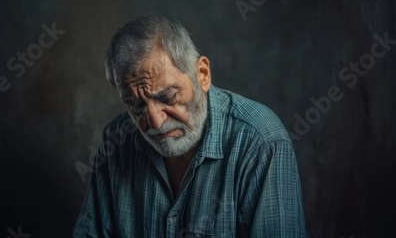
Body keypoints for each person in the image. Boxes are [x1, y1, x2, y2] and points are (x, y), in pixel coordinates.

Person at [73, 13, 308, 237]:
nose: (155, 120)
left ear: (202, 74)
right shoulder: (116, 140)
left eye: (167, 97)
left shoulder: (260, 141)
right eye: (136, 105)